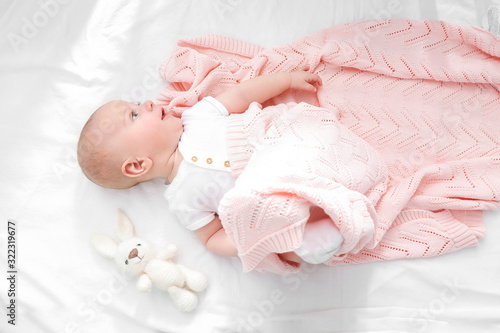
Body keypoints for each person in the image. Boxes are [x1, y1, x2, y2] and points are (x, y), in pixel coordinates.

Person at [78, 70, 345, 265]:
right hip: (274, 195)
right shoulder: (181, 199)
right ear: (137, 165)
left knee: (307, 138)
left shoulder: (197, 116)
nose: (146, 103)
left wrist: (285, 80)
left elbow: (243, 93)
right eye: (134, 114)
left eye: (136, 103)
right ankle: (306, 238)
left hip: (287, 147)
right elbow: (211, 238)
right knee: (276, 226)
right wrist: (250, 240)